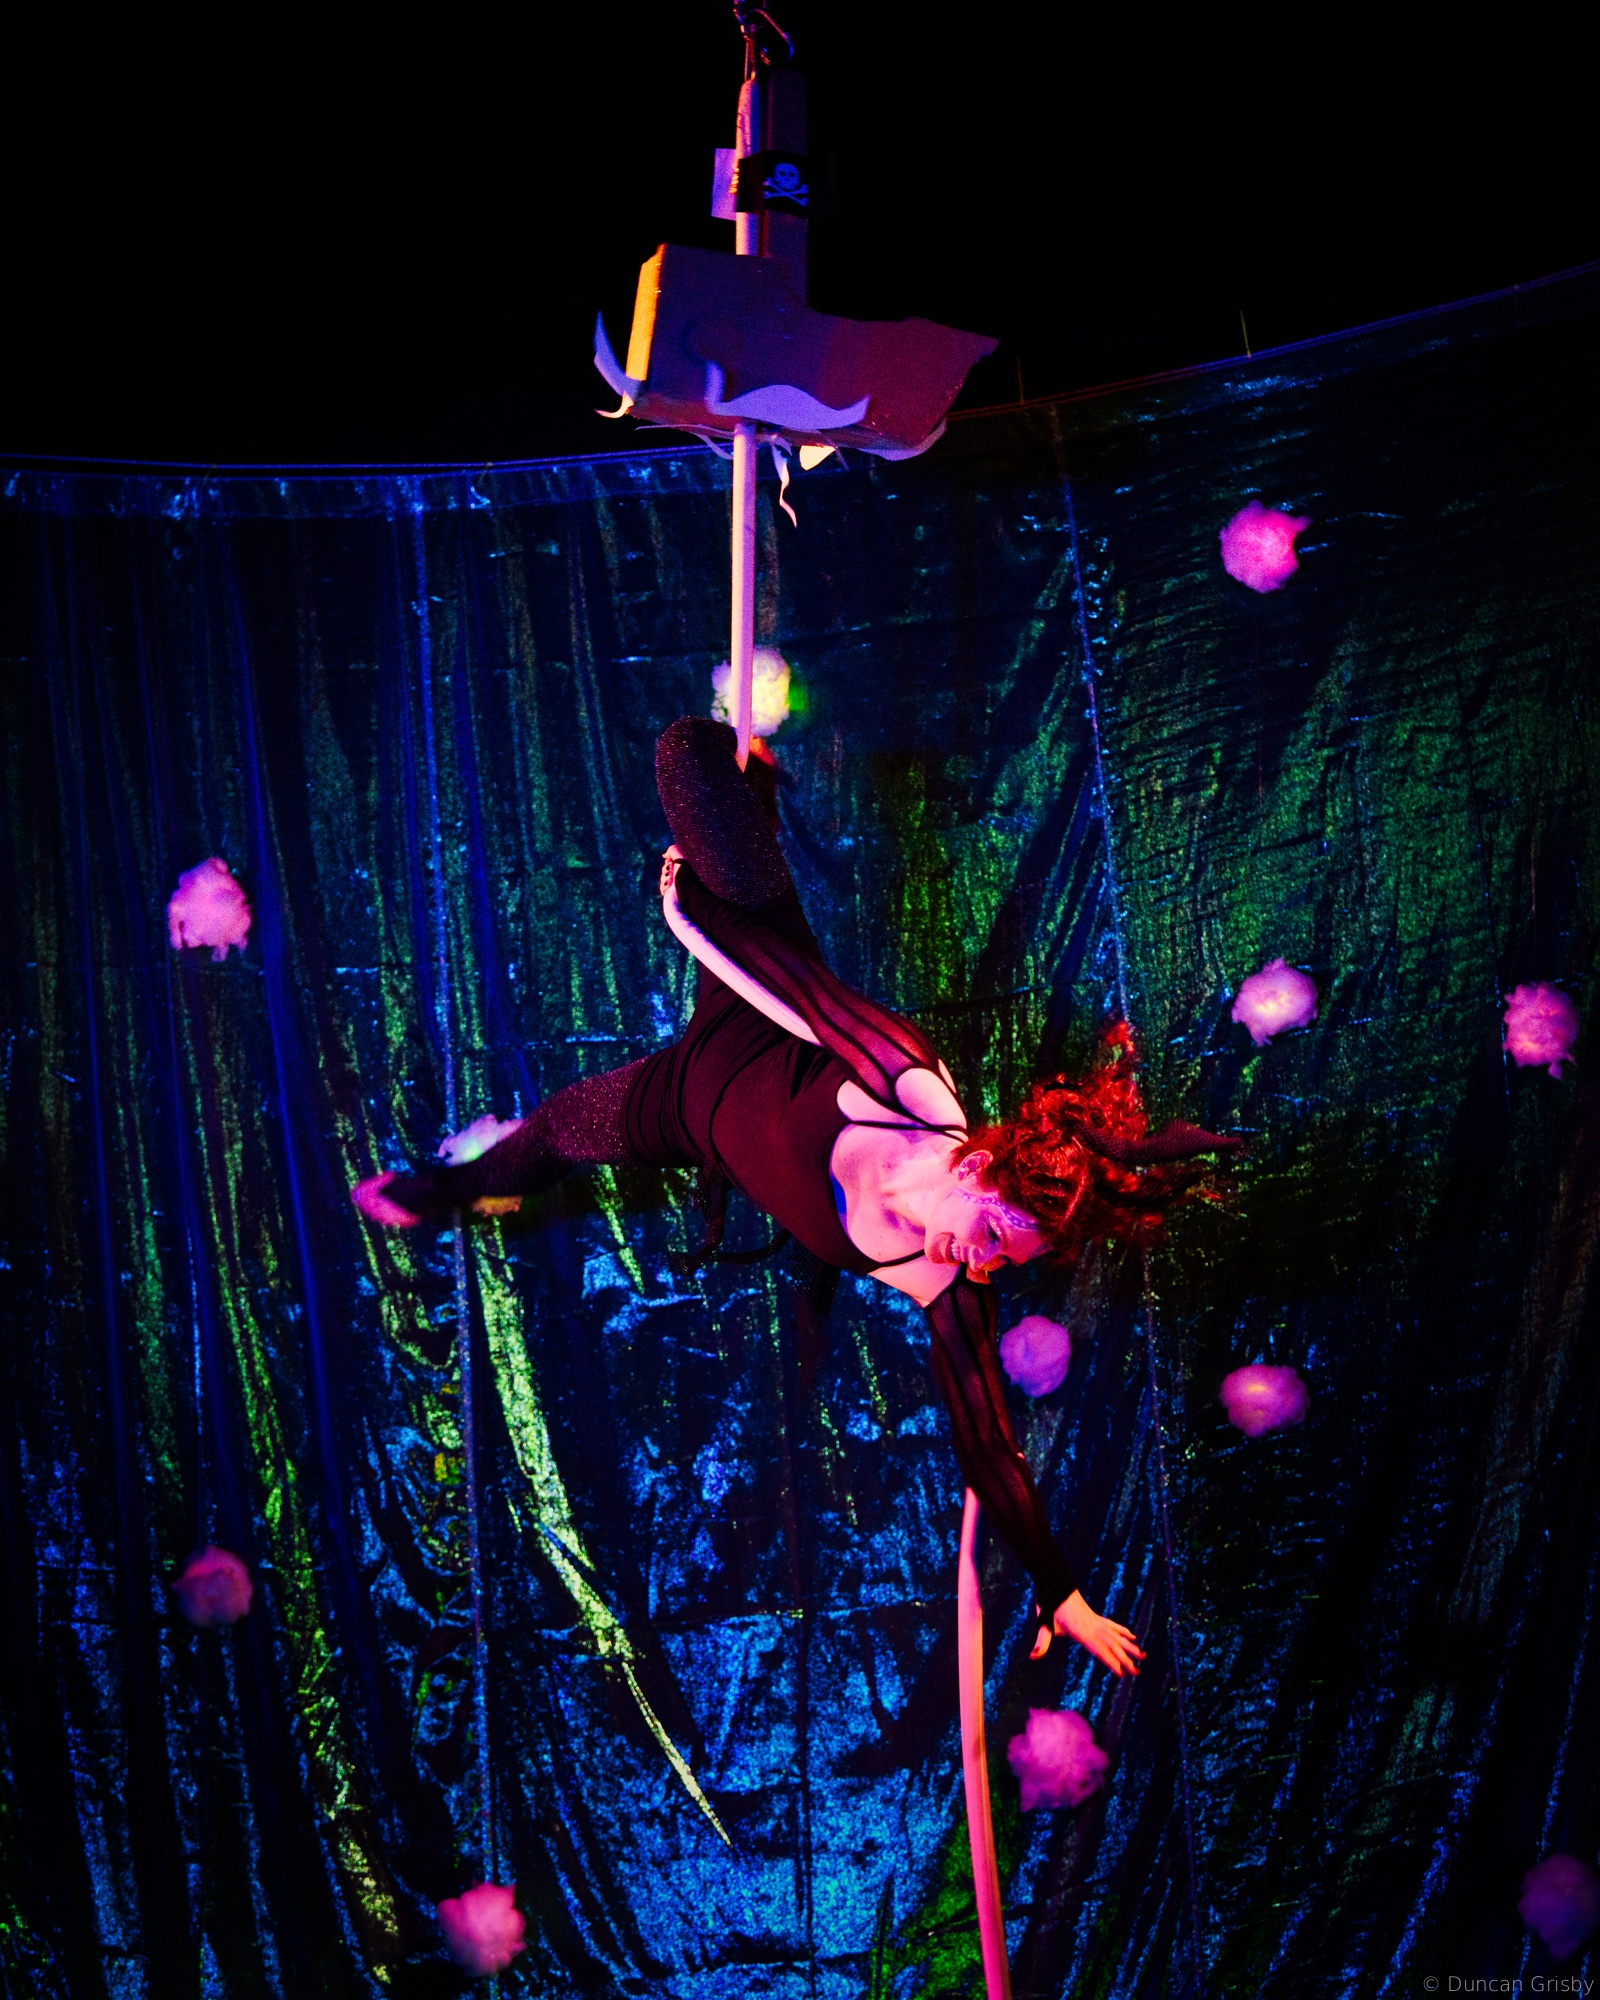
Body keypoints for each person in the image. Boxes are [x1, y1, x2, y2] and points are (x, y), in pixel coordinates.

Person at [353, 719, 1235, 1672]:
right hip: (754, 993)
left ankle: (444, 1191)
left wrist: (1063, 1593)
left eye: (1002, 1265)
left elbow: (990, 1447)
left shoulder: (943, 1285)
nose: (982, 1267)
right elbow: (796, 987)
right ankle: (756, 790)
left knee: (564, 1126)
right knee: (687, 755)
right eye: (992, 1239)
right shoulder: (904, 1082)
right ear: (977, 1170)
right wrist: (688, 902)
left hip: (686, 1109)